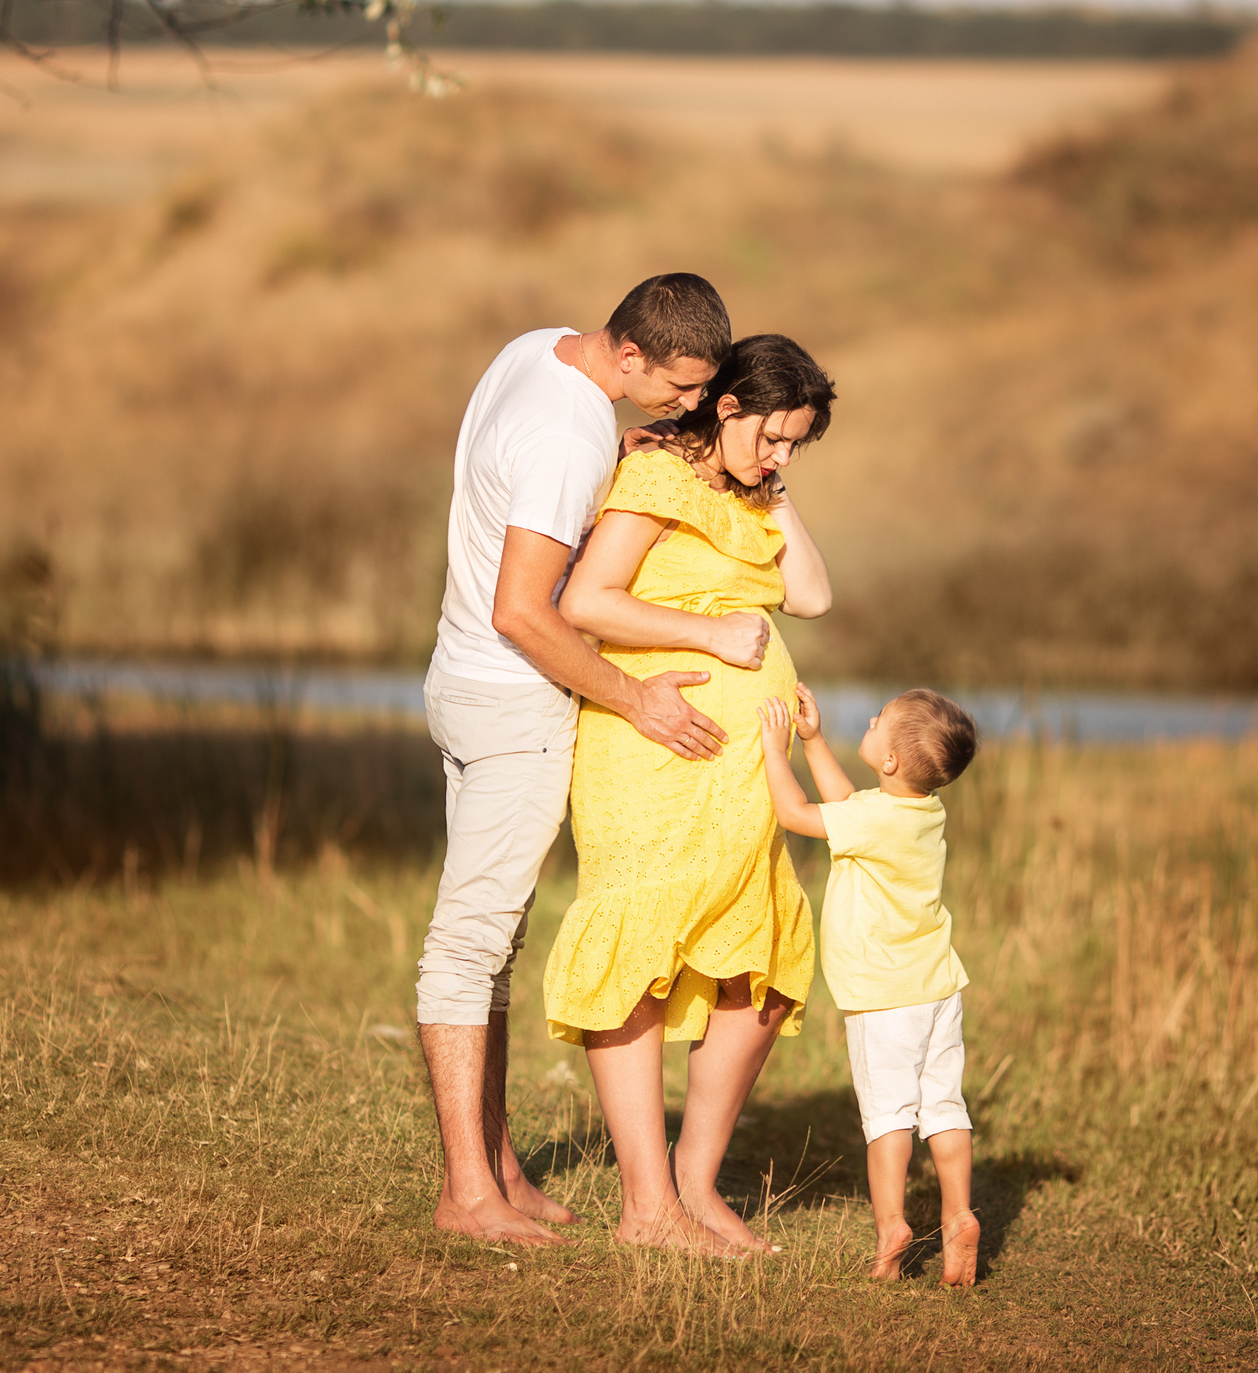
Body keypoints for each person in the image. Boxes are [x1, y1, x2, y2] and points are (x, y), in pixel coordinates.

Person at [414, 274, 739, 1249]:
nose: (688, 408)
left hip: (456, 683)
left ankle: (499, 1169)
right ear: (632, 355)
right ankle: (467, 1195)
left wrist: (614, 453)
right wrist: (634, 697)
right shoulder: (567, 438)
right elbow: (525, 610)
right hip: (514, 706)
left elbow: (526, 483)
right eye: (678, 390)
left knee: (496, 943)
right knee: (469, 945)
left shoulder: (539, 351)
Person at [549, 333, 839, 1254]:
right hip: (653, 749)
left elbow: (812, 597)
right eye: (775, 436)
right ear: (727, 407)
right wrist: (712, 641)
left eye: (797, 445)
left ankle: (696, 1189)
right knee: (642, 952)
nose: (781, 455)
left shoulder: (753, 494)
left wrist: (772, 483)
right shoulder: (655, 481)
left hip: (743, 773)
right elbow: (587, 601)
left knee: (754, 974)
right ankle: (646, 1208)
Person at [757, 684, 983, 1286]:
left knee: (888, 1114)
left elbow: (797, 815)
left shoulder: (875, 818)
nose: (873, 717)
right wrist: (815, 740)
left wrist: (775, 751)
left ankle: (891, 1225)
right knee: (944, 1105)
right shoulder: (920, 812)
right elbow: (847, 805)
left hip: (885, 998)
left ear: (889, 760)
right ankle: (959, 1213)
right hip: (938, 988)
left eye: (879, 718)